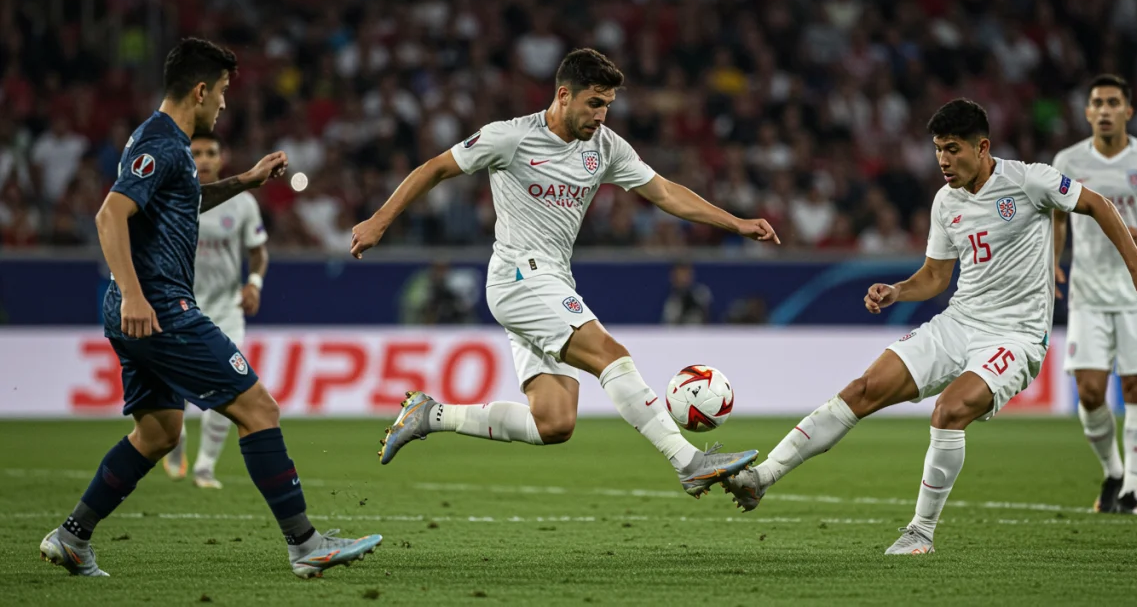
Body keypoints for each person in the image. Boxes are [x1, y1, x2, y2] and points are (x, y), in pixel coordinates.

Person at [719, 98, 1137, 554]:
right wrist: (896, 290)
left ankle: (920, 533)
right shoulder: (945, 201)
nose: (943, 160)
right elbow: (935, 276)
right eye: (938, 149)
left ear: (982, 147)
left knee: (949, 411)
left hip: (1015, 336)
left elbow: (1098, 204)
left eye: (953, 149)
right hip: (958, 323)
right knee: (862, 389)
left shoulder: (1029, 180)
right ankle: (762, 478)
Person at [351, 48, 779, 496]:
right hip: (519, 276)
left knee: (553, 423)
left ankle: (430, 415)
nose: (602, 115)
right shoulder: (510, 137)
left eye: (607, 105)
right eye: (594, 103)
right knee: (611, 354)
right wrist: (379, 220)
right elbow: (435, 168)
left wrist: (736, 223)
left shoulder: (606, 146)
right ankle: (688, 462)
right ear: (563, 96)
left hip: (552, 280)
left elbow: (666, 193)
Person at [39, 38, 381, 578]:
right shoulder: (163, 143)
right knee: (259, 410)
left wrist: (245, 181)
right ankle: (305, 544)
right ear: (200, 91)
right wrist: (134, 293)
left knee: (159, 434)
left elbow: (182, 199)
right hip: (159, 307)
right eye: (221, 91)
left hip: (140, 308)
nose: (224, 103)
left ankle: (72, 536)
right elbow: (110, 215)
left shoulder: (158, 141)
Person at [1051, 74, 1137, 514]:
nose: (1105, 110)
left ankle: (1131, 491)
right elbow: (1056, 218)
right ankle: (1113, 470)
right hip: (1088, 291)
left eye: (1113, 102)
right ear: (1087, 112)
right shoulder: (1068, 160)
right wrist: (1053, 260)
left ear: (1128, 110)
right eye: (1098, 103)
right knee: (1090, 391)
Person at [161, 132, 270, 490]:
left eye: (211, 152)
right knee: (170, 396)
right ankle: (175, 443)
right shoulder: (172, 198)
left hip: (226, 310)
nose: (205, 159)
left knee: (232, 387)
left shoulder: (242, 203)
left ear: (222, 158)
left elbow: (258, 250)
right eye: (197, 153)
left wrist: (254, 282)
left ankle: (205, 467)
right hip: (178, 307)